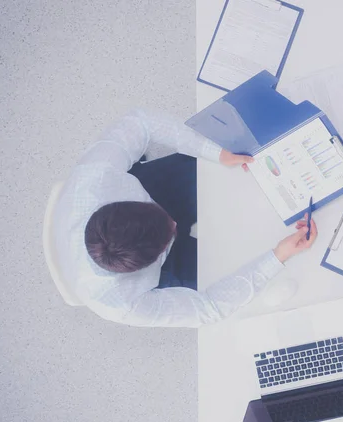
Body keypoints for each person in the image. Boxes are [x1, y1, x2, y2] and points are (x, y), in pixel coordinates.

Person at [53, 108, 317, 327]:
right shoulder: (122, 304)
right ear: (151, 260)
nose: (176, 224)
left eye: (166, 220)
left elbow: (140, 122)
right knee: (231, 262)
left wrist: (216, 153)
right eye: (170, 233)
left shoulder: (97, 177)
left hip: (152, 192)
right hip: (161, 265)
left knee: (219, 163)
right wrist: (277, 256)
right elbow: (209, 308)